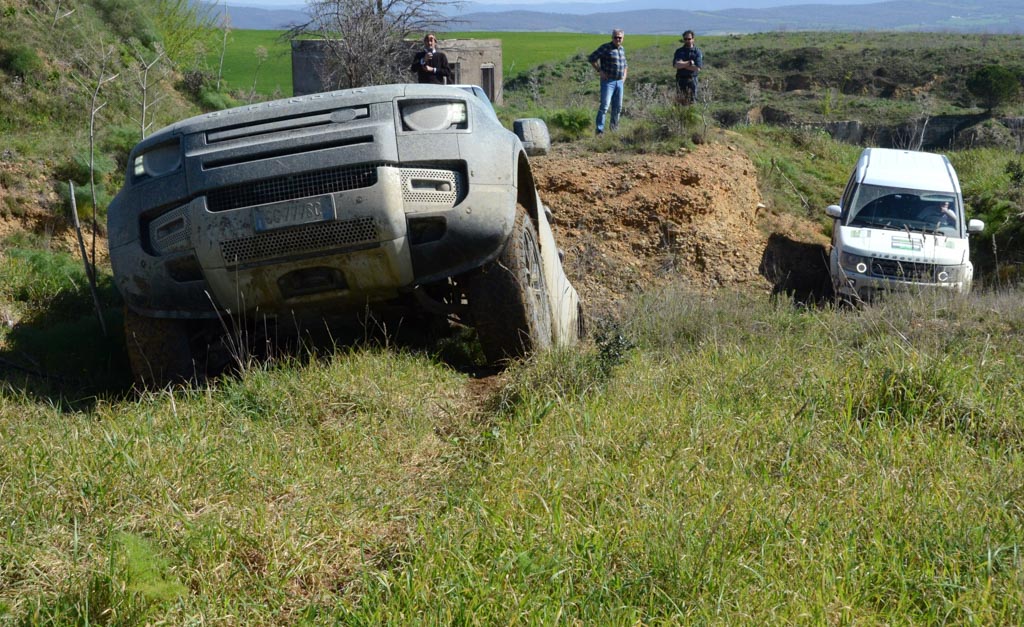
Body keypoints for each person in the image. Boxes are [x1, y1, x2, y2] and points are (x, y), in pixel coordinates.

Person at [588, 29, 628, 135]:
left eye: (620, 37)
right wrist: (599, 70)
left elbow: (625, 65)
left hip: (619, 82)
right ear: (612, 37)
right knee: (605, 106)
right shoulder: (605, 48)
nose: (617, 39)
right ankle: (599, 130)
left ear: (623, 38)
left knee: (618, 107)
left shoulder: (622, 49)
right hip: (608, 82)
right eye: (615, 37)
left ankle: (614, 129)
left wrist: (624, 77)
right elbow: (592, 58)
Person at [673, 30, 703, 105]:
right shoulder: (679, 51)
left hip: (692, 80)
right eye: (685, 39)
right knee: (680, 102)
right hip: (680, 80)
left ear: (693, 39)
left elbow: (697, 68)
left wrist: (682, 64)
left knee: (692, 102)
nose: (687, 41)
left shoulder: (697, 52)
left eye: (689, 39)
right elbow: (676, 65)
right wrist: (690, 63)